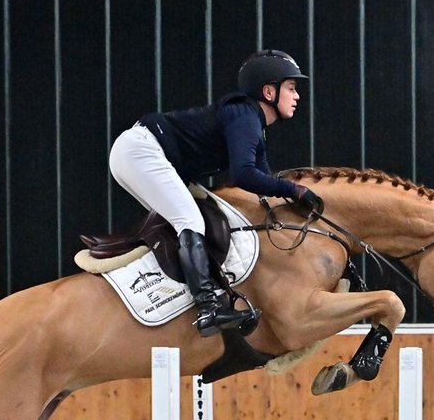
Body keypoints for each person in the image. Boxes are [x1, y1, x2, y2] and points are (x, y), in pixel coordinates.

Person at [109, 49, 324, 336]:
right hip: (141, 151)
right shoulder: (245, 115)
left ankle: (177, 295)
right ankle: (208, 308)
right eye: (292, 88)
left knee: (191, 220)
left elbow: (262, 182)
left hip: (137, 153)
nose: (297, 96)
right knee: (190, 221)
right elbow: (244, 175)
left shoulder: (253, 124)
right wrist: (295, 190)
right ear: (269, 92)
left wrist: (294, 198)